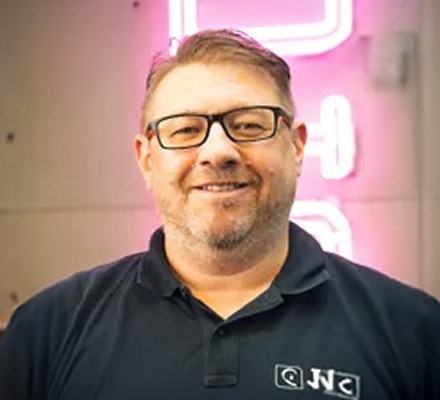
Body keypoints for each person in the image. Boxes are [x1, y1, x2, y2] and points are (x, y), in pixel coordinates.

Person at [0, 29, 439, 400]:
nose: (218, 152)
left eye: (248, 125)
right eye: (185, 129)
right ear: (146, 158)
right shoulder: (48, 331)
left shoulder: (414, 331)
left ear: (297, 146)